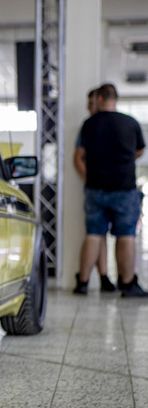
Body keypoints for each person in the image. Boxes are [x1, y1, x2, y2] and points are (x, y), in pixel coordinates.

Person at [73, 83, 147, 297]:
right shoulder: (131, 123)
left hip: (95, 188)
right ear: (115, 99)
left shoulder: (88, 124)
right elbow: (140, 151)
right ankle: (127, 284)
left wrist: (91, 177)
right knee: (126, 235)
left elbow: (79, 156)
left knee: (94, 234)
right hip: (124, 188)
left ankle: (83, 283)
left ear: (99, 99)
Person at [74, 89, 116, 292]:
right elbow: (78, 159)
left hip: (105, 187)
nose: (90, 107)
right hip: (98, 188)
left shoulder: (109, 125)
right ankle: (87, 279)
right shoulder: (89, 126)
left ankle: (101, 276)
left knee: (99, 234)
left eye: (92, 103)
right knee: (96, 234)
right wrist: (91, 180)